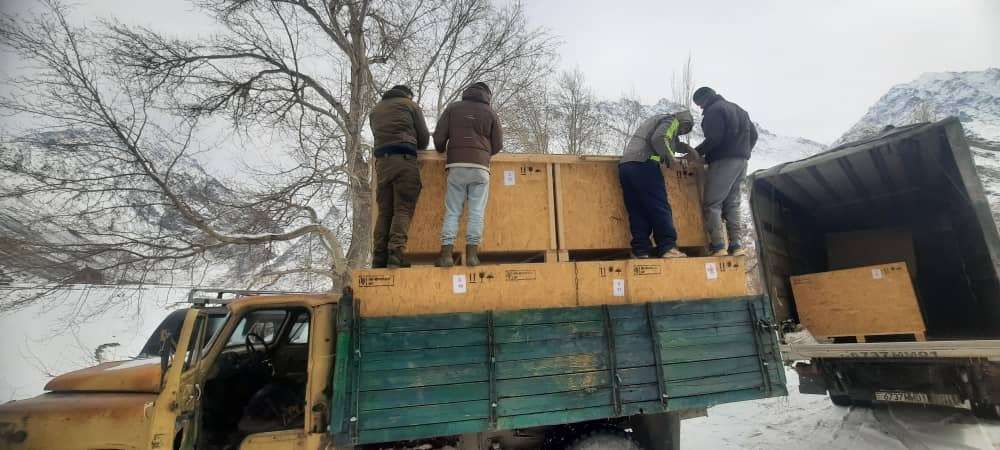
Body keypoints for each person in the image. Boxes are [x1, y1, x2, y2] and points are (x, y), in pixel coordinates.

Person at [432, 82, 504, 267]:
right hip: (480, 168)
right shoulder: (490, 113)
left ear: (467, 93)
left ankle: (446, 255)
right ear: (487, 95)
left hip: (456, 166)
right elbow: (498, 144)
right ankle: (472, 255)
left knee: (453, 211)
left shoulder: (453, 108)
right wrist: (484, 154)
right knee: (476, 212)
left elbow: (439, 138)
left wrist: (441, 148)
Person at [619, 110, 695, 259]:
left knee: (638, 210)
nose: (681, 132)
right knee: (659, 206)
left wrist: (685, 148)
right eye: (683, 129)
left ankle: (641, 250)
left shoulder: (656, 120)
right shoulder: (671, 120)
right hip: (645, 165)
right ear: (683, 121)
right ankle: (668, 247)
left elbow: (668, 141)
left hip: (626, 167)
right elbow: (660, 138)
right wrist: (672, 160)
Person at [369, 84, 430, 268]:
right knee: (403, 208)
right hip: (404, 161)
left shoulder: (375, 110)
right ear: (408, 95)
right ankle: (395, 253)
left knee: (385, 211)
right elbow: (424, 139)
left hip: (382, 164)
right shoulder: (410, 105)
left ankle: (379, 257)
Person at [692, 86, 758, 257]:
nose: (700, 108)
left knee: (712, 203)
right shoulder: (740, 110)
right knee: (733, 203)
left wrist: (695, 153)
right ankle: (736, 246)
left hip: (723, 161)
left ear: (703, 100)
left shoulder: (714, 110)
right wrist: (744, 151)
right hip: (742, 162)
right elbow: (755, 135)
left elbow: (714, 138)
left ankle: (718, 246)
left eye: (699, 104)